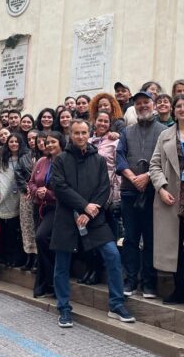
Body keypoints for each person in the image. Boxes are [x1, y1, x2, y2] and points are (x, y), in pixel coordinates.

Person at [50, 120, 136, 327]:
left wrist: (90, 212)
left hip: (94, 217)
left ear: (89, 134)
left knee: (113, 255)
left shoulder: (98, 159)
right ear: (70, 135)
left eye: (84, 132)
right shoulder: (60, 159)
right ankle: (64, 308)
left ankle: (116, 304)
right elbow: (60, 187)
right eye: (76, 133)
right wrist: (83, 206)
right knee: (62, 264)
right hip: (67, 217)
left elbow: (104, 188)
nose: (80, 136)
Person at [149, 94, 184, 309]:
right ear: (173, 111)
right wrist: (161, 188)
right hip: (170, 197)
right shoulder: (164, 135)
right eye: (178, 106)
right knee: (173, 245)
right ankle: (178, 288)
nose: (182, 109)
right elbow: (154, 165)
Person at [117, 89, 166, 298]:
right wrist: (133, 178)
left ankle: (149, 283)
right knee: (130, 238)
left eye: (146, 102)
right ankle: (130, 280)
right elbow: (120, 157)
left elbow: (166, 160)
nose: (142, 106)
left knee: (151, 239)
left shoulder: (164, 131)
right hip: (129, 192)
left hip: (153, 193)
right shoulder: (127, 132)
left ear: (153, 105)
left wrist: (147, 176)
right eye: (138, 103)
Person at [80, 110, 123, 285]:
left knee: (106, 234)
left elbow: (118, 168)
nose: (103, 124)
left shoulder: (115, 141)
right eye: (100, 120)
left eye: (106, 121)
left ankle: (104, 270)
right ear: (94, 121)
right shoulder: (87, 141)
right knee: (87, 233)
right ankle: (92, 267)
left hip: (107, 191)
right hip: (87, 192)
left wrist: (116, 196)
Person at [28, 132, 65, 298]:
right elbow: (31, 182)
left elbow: (68, 187)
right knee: (42, 243)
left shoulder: (66, 161)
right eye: (47, 142)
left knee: (41, 237)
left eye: (53, 142)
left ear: (61, 143)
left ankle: (51, 281)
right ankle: (45, 284)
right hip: (40, 208)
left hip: (58, 208)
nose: (49, 145)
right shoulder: (42, 161)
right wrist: (37, 191)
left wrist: (48, 194)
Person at [0, 132, 27, 267]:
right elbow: (2, 178)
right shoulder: (4, 159)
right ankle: (6, 257)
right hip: (6, 196)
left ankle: (17, 258)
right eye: (11, 142)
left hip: (22, 196)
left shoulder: (25, 158)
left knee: (18, 230)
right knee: (7, 230)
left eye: (16, 141)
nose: (14, 144)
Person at [16, 133, 38, 271]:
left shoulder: (45, 156)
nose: (31, 141)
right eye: (29, 139)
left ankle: (37, 258)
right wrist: (26, 188)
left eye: (34, 138)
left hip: (40, 196)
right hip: (26, 195)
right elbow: (18, 174)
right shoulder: (24, 157)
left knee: (37, 226)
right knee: (26, 226)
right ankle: (29, 256)